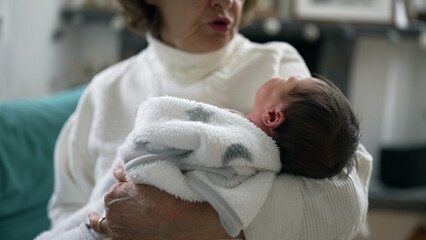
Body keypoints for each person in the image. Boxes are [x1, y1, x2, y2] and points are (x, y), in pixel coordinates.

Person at [36, 0, 373, 239]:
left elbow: (345, 202)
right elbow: (69, 210)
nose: (226, 1)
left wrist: (195, 226)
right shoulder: (107, 90)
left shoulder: (278, 66)